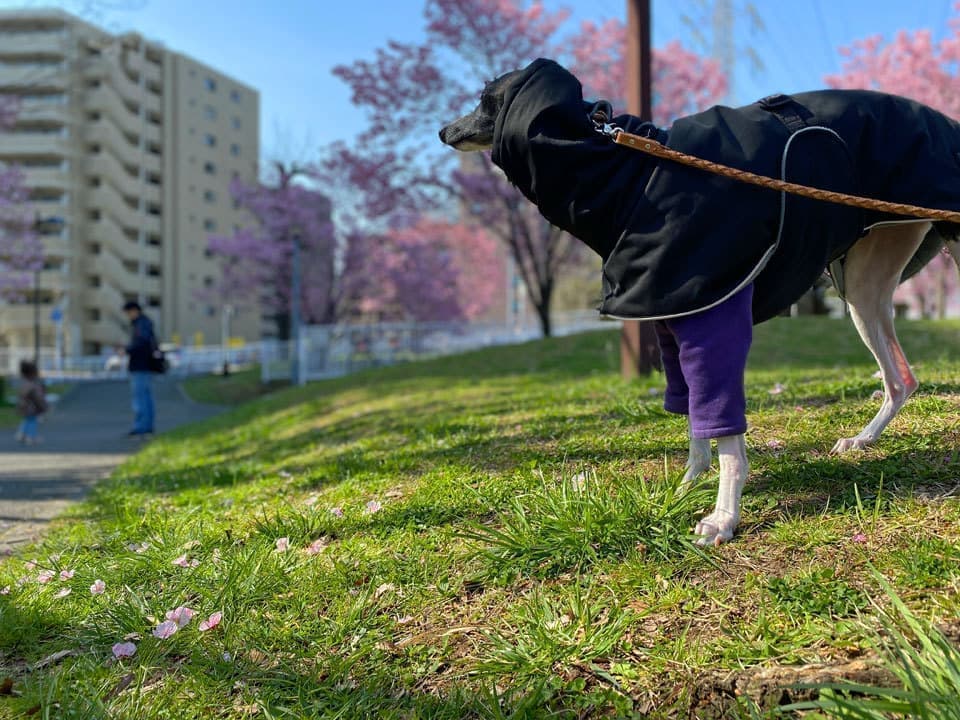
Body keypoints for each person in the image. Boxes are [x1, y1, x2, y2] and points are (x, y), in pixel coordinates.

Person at [123, 300, 157, 436]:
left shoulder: (141, 324)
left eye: (128, 313)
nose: (128, 316)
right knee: (146, 397)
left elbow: (141, 343)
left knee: (140, 398)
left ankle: (140, 427)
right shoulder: (145, 323)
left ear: (134, 311)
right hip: (146, 364)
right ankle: (147, 425)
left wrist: (127, 349)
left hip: (140, 365)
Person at [15, 360, 47, 445]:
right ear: (33, 373)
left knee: (27, 420)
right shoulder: (33, 385)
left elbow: (21, 395)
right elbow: (38, 397)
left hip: (23, 406)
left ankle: (21, 434)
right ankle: (31, 437)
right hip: (32, 407)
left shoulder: (24, 383)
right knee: (33, 421)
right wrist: (43, 406)